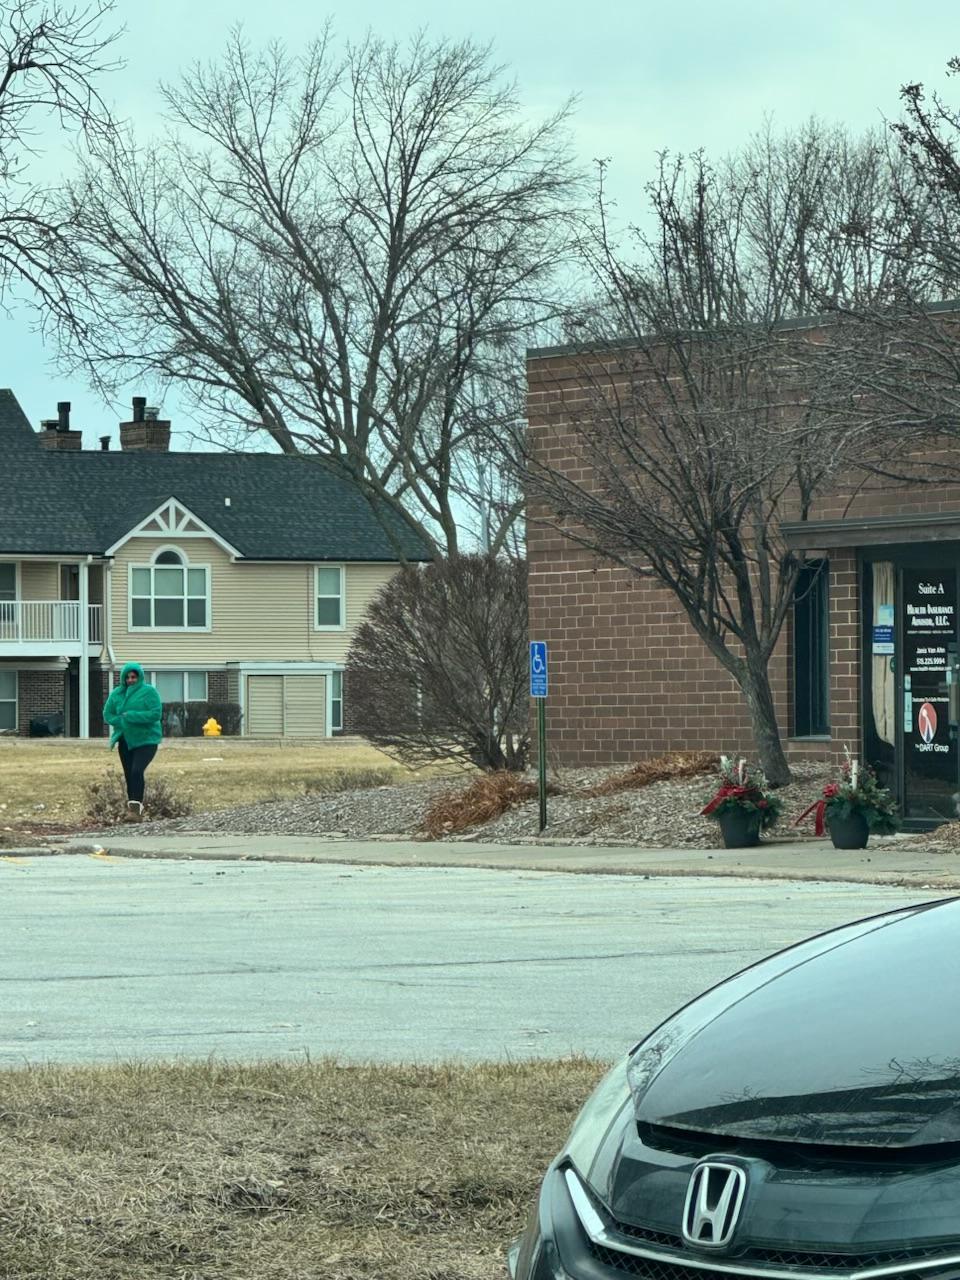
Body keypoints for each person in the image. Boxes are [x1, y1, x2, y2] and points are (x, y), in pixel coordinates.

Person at [102, 662, 163, 823]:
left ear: (139, 677)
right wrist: (121, 722)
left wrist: (131, 716)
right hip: (125, 740)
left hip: (146, 740)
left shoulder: (149, 692)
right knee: (129, 774)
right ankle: (133, 812)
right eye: (127, 677)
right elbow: (108, 714)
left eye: (133, 677)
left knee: (136, 771)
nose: (130, 680)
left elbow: (155, 714)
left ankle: (136, 810)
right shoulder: (117, 693)